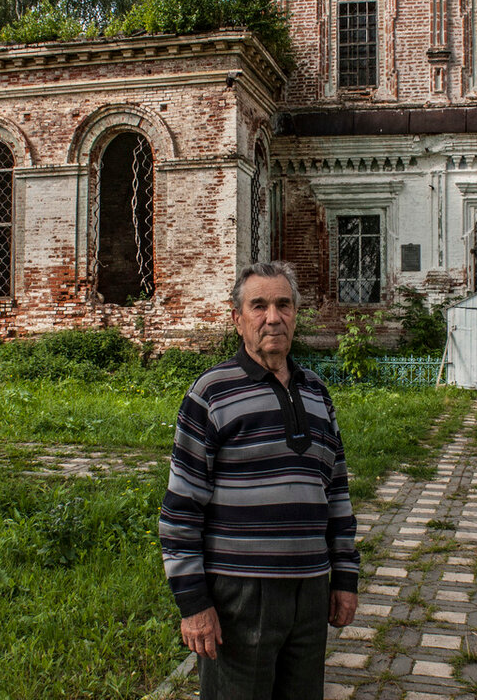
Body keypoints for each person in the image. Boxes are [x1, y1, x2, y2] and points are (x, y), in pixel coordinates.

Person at [159, 261, 360, 700]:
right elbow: (181, 510)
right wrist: (193, 604)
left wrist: (344, 578)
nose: (273, 317)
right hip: (241, 594)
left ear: (295, 314)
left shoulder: (317, 393)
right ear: (237, 319)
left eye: (284, 304)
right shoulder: (211, 394)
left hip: (310, 590)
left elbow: (337, 494)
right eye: (259, 306)